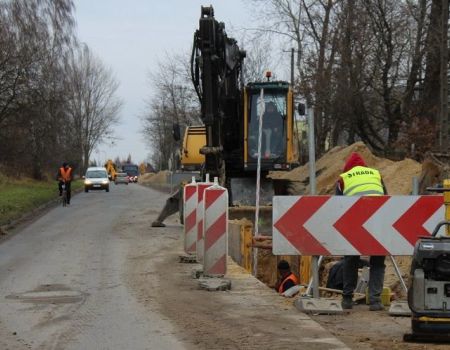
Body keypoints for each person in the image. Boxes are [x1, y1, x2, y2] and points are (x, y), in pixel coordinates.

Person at [336, 152, 388, 311]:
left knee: (351, 258)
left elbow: (337, 205)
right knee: (378, 260)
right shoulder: (376, 174)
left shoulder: (344, 178)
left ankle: (347, 299)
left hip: (355, 221)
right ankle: (375, 301)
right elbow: (386, 197)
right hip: (377, 220)